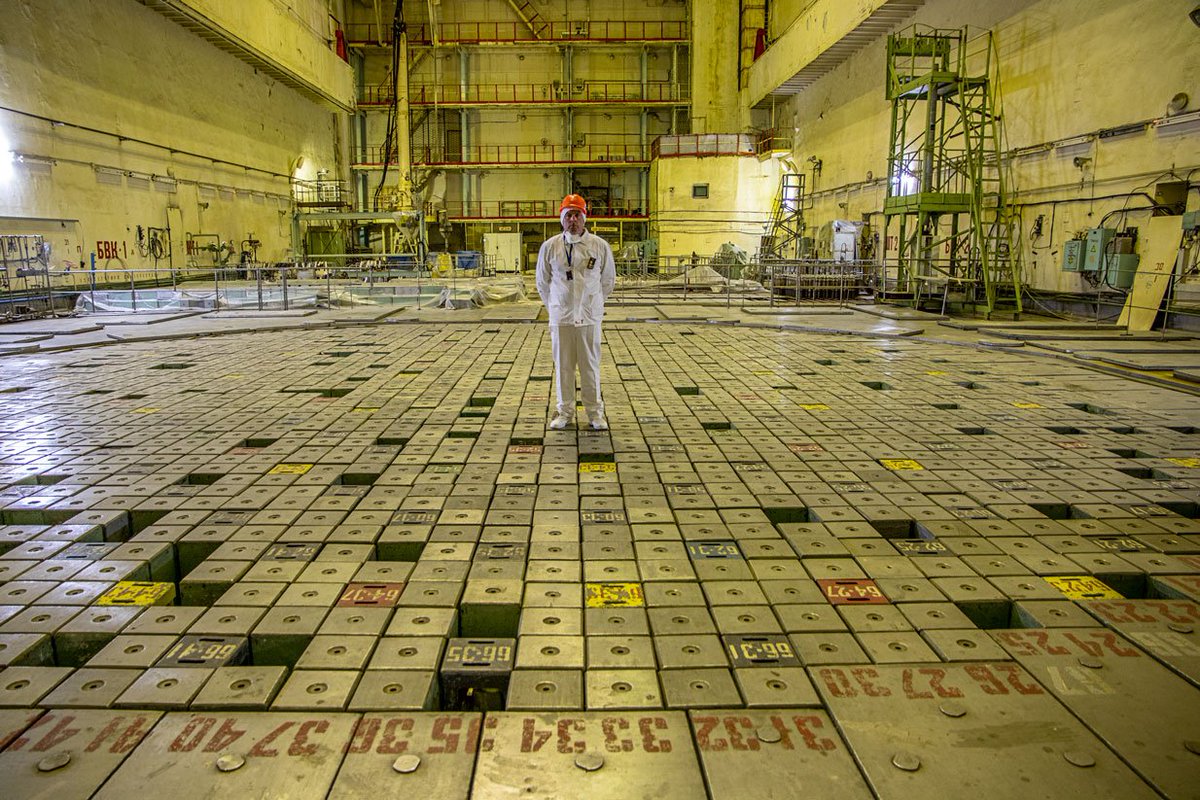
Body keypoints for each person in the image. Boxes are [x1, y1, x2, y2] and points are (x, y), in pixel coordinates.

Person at [536, 194, 616, 431]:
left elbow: (608, 281)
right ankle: (565, 412)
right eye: (568, 215)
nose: (573, 220)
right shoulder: (550, 247)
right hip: (561, 319)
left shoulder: (599, 246)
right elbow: (542, 282)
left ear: (584, 218)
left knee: (590, 366)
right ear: (562, 218)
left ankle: (595, 413)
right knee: (564, 367)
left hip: (589, 318)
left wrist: (592, 304)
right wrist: (556, 306)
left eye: (577, 215)